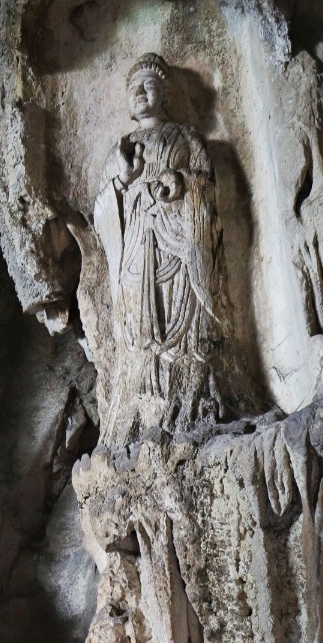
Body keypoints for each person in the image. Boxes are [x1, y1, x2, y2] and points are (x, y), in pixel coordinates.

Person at [93, 53, 226, 442]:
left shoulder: (186, 138)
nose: (139, 93)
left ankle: (189, 403)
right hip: (135, 247)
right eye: (133, 88)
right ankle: (141, 410)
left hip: (178, 248)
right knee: (138, 329)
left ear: (164, 93)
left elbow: (210, 187)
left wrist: (182, 182)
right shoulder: (122, 150)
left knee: (181, 323)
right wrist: (122, 180)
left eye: (148, 84)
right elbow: (103, 208)